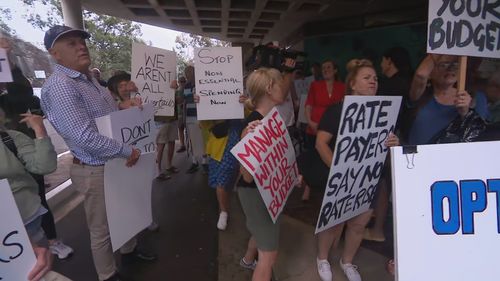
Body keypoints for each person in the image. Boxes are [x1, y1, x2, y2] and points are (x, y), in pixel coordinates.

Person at [40, 25, 155, 281]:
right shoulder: (60, 86)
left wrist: (125, 106)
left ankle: (129, 251)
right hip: (95, 167)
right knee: (101, 228)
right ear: (55, 54)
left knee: (125, 211)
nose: (81, 46)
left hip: (115, 162)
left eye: (82, 41)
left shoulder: (90, 80)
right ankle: (107, 275)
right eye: (71, 43)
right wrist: (127, 150)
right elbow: (83, 136)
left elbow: (108, 115)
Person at [308, 59, 399, 281]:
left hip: (369, 179)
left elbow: (386, 145)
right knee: (334, 221)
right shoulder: (337, 110)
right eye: (367, 78)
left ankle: (347, 262)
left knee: (358, 224)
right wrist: (339, 171)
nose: (373, 82)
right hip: (343, 178)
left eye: (375, 79)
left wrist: (394, 142)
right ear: (353, 85)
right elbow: (321, 143)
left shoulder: (383, 112)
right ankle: (322, 258)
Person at [0, 37, 74, 260]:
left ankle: (52, 241)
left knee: (37, 197)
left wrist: (7, 60)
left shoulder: (13, 127)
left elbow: (20, 90)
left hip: (24, 155)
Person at [237, 66, 297, 281]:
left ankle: (246, 260)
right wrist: (248, 138)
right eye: (280, 83)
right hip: (254, 195)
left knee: (260, 234)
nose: (285, 87)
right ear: (270, 89)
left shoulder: (271, 118)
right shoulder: (253, 124)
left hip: (265, 194)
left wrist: (290, 175)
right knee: (269, 255)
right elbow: (246, 175)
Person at [364, 47, 413, 243]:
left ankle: (377, 230)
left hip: (388, 142)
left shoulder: (390, 87)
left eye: (383, 61)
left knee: (381, 185)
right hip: (400, 140)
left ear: (389, 61)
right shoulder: (405, 84)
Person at [0, 108, 56, 281]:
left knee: (39, 272)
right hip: (5, 230)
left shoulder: (11, 138)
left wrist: (40, 130)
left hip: (28, 218)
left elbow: (45, 166)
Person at [406, 54, 488, 145]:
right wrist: (442, 47)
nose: (450, 69)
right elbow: (421, 75)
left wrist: (466, 113)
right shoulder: (420, 96)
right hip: (418, 157)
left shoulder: (476, 98)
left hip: (453, 157)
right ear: (430, 72)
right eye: (443, 65)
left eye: (455, 65)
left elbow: (480, 135)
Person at [302, 60, 346, 201]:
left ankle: (330, 189)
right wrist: (310, 121)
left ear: (335, 70)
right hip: (314, 126)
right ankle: (307, 188)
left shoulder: (342, 86)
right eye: (323, 68)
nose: (326, 70)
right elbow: (308, 105)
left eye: (329, 67)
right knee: (313, 157)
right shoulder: (315, 85)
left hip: (333, 129)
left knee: (330, 156)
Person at [183, 65, 208, 173]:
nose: (188, 75)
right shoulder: (186, 85)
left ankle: (204, 161)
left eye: (190, 72)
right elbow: (185, 99)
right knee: (192, 139)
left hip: (201, 115)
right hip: (189, 115)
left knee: (202, 139)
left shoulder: (202, 83)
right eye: (187, 73)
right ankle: (194, 161)